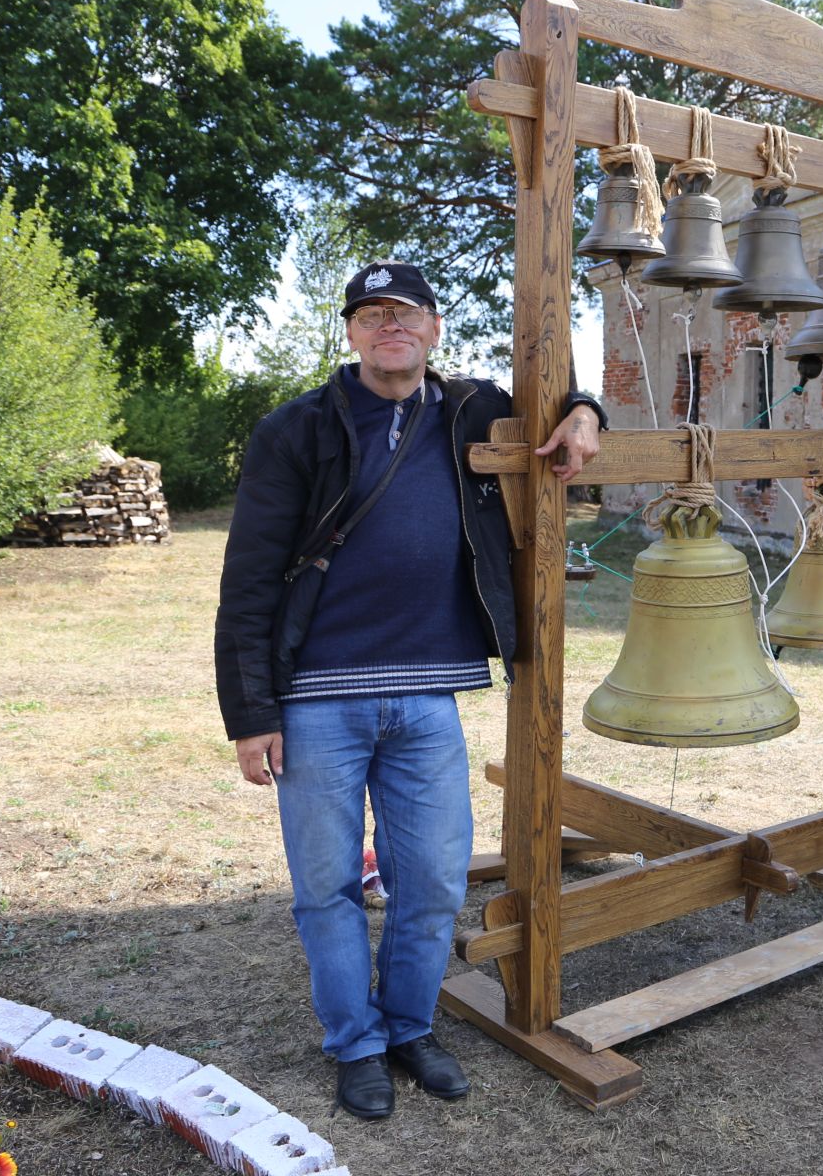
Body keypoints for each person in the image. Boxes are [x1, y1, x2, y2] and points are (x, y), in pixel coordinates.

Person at [214, 260, 604, 1120]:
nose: (391, 326)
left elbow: (564, 404)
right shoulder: (297, 430)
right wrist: (251, 715)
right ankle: (354, 1043)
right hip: (318, 699)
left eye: (408, 313)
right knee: (328, 888)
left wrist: (585, 412)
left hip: (430, 698)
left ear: (433, 329)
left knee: (429, 883)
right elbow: (247, 581)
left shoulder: (471, 409)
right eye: (372, 315)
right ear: (351, 333)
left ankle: (408, 1027)